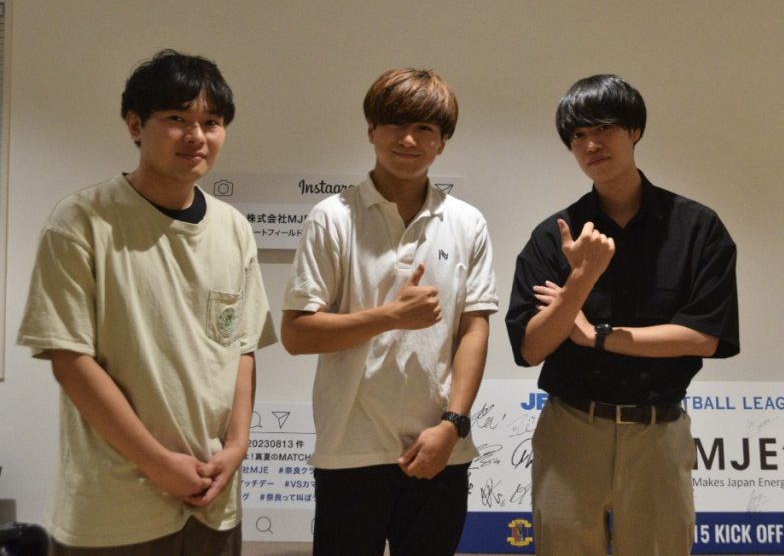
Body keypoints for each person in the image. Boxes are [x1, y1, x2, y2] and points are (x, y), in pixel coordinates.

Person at [17, 49, 277, 555]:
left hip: (215, 500)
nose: (196, 135)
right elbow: (71, 361)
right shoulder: (81, 222)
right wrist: (159, 463)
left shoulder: (234, 229)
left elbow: (242, 350)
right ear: (135, 125)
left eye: (211, 122)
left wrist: (237, 447)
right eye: (177, 118)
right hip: (116, 507)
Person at [505, 74, 740, 556]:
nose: (591, 144)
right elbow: (531, 347)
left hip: (659, 432)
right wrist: (582, 279)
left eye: (604, 128)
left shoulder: (697, 228)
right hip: (571, 429)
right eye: (578, 135)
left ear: (634, 131)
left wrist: (596, 335)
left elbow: (703, 336)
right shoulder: (555, 235)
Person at [281, 68, 498, 556]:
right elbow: (297, 334)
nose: (408, 139)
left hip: (440, 448)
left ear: (442, 141)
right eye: (396, 125)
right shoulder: (332, 218)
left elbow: (474, 331)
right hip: (350, 449)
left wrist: (453, 424)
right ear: (371, 130)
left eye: (425, 128)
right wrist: (391, 316)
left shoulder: (467, 222)